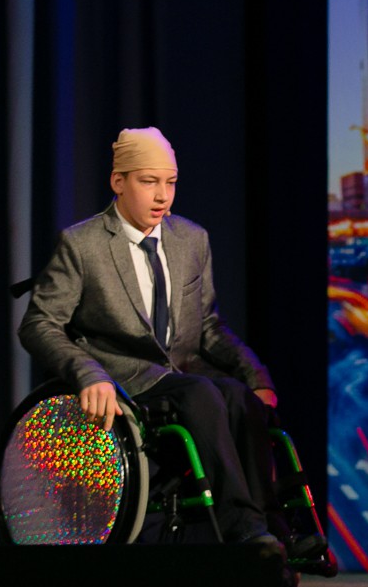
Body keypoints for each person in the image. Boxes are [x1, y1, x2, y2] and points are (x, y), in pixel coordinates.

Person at [19, 126, 314, 556]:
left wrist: (256, 376)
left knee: (240, 398)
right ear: (118, 182)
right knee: (201, 394)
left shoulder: (190, 240)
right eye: (148, 182)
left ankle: (276, 526)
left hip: (181, 375)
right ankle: (243, 528)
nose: (162, 196)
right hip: (125, 380)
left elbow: (209, 327)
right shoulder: (82, 245)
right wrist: (88, 374)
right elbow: (39, 323)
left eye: (170, 182)